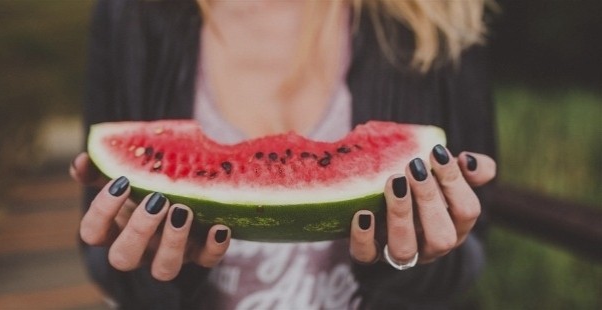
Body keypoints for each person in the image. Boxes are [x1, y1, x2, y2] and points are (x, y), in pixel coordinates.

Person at [70, 0, 497, 309]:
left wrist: (405, 258)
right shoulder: (130, 16)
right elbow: (101, 247)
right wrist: (155, 270)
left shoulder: (436, 16)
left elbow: (469, 255)